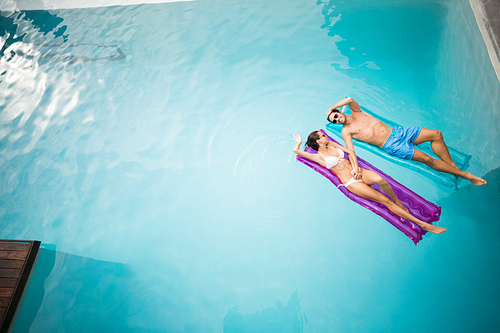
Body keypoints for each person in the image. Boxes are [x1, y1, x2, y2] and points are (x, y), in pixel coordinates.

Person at [293, 131, 446, 234]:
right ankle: (423, 225)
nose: (325, 136)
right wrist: (299, 143)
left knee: (381, 180)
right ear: (318, 141)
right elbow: (296, 152)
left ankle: (398, 202)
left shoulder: (331, 145)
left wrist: (356, 168)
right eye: (322, 136)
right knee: (385, 201)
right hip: (352, 182)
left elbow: (350, 152)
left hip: (358, 172)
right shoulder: (319, 157)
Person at [326, 97, 486, 186]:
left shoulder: (357, 110)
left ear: (339, 111)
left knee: (437, 134)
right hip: (391, 144)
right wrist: (355, 167)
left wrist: (330, 108)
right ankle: (466, 175)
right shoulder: (346, 131)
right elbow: (351, 150)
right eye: (334, 121)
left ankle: (451, 166)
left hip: (399, 132)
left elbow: (349, 98)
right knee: (428, 159)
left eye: (335, 116)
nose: (337, 120)